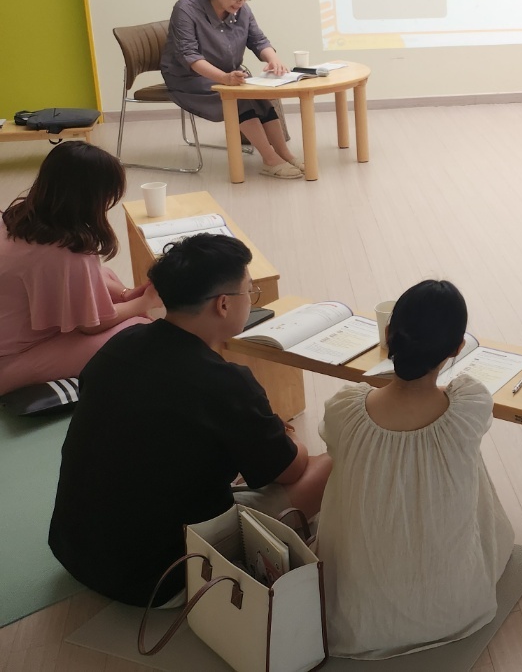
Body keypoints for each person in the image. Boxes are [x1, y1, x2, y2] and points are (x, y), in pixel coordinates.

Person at [49, 233, 331, 606]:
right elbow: (291, 471)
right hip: (160, 577)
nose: (251, 300)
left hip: (73, 550)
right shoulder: (226, 383)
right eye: (250, 292)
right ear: (223, 304)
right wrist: (287, 438)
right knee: (333, 462)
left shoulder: (120, 344)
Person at [315, 280, 513, 658]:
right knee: (468, 462)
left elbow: (333, 448)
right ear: (457, 348)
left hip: (362, 621)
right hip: (455, 609)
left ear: (388, 334)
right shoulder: (469, 407)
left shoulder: (345, 410)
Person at [0, 142, 161, 396]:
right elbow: (91, 325)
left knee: (105, 276)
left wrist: (125, 295)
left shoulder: (16, 217)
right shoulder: (68, 252)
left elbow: (82, 280)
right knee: (141, 329)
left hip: (12, 334)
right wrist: (144, 302)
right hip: (13, 361)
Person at [160, 0, 304, 179]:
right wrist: (223, 78)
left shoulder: (241, 9)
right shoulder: (186, 8)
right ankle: (269, 159)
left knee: (260, 96)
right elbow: (189, 56)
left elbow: (258, 40)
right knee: (239, 99)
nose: (241, 1)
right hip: (189, 78)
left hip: (228, 75)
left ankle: (284, 153)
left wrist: (274, 60)